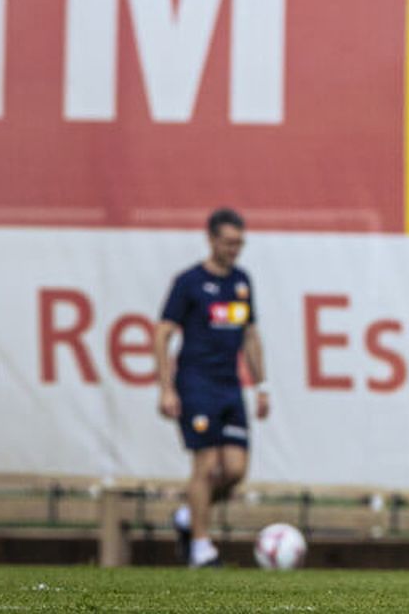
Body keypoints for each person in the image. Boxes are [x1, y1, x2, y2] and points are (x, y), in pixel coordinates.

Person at [154, 207, 270, 568]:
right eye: (229, 242)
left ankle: (189, 517)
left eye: (240, 243)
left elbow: (249, 335)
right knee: (205, 463)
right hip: (196, 383)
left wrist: (262, 386)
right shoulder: (189, 282)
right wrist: (166, 388)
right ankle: (201, 548)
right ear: (211, 240)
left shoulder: (241, 282)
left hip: (229, 386)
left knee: (235, 469)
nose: (234, 250)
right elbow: (162, 333)